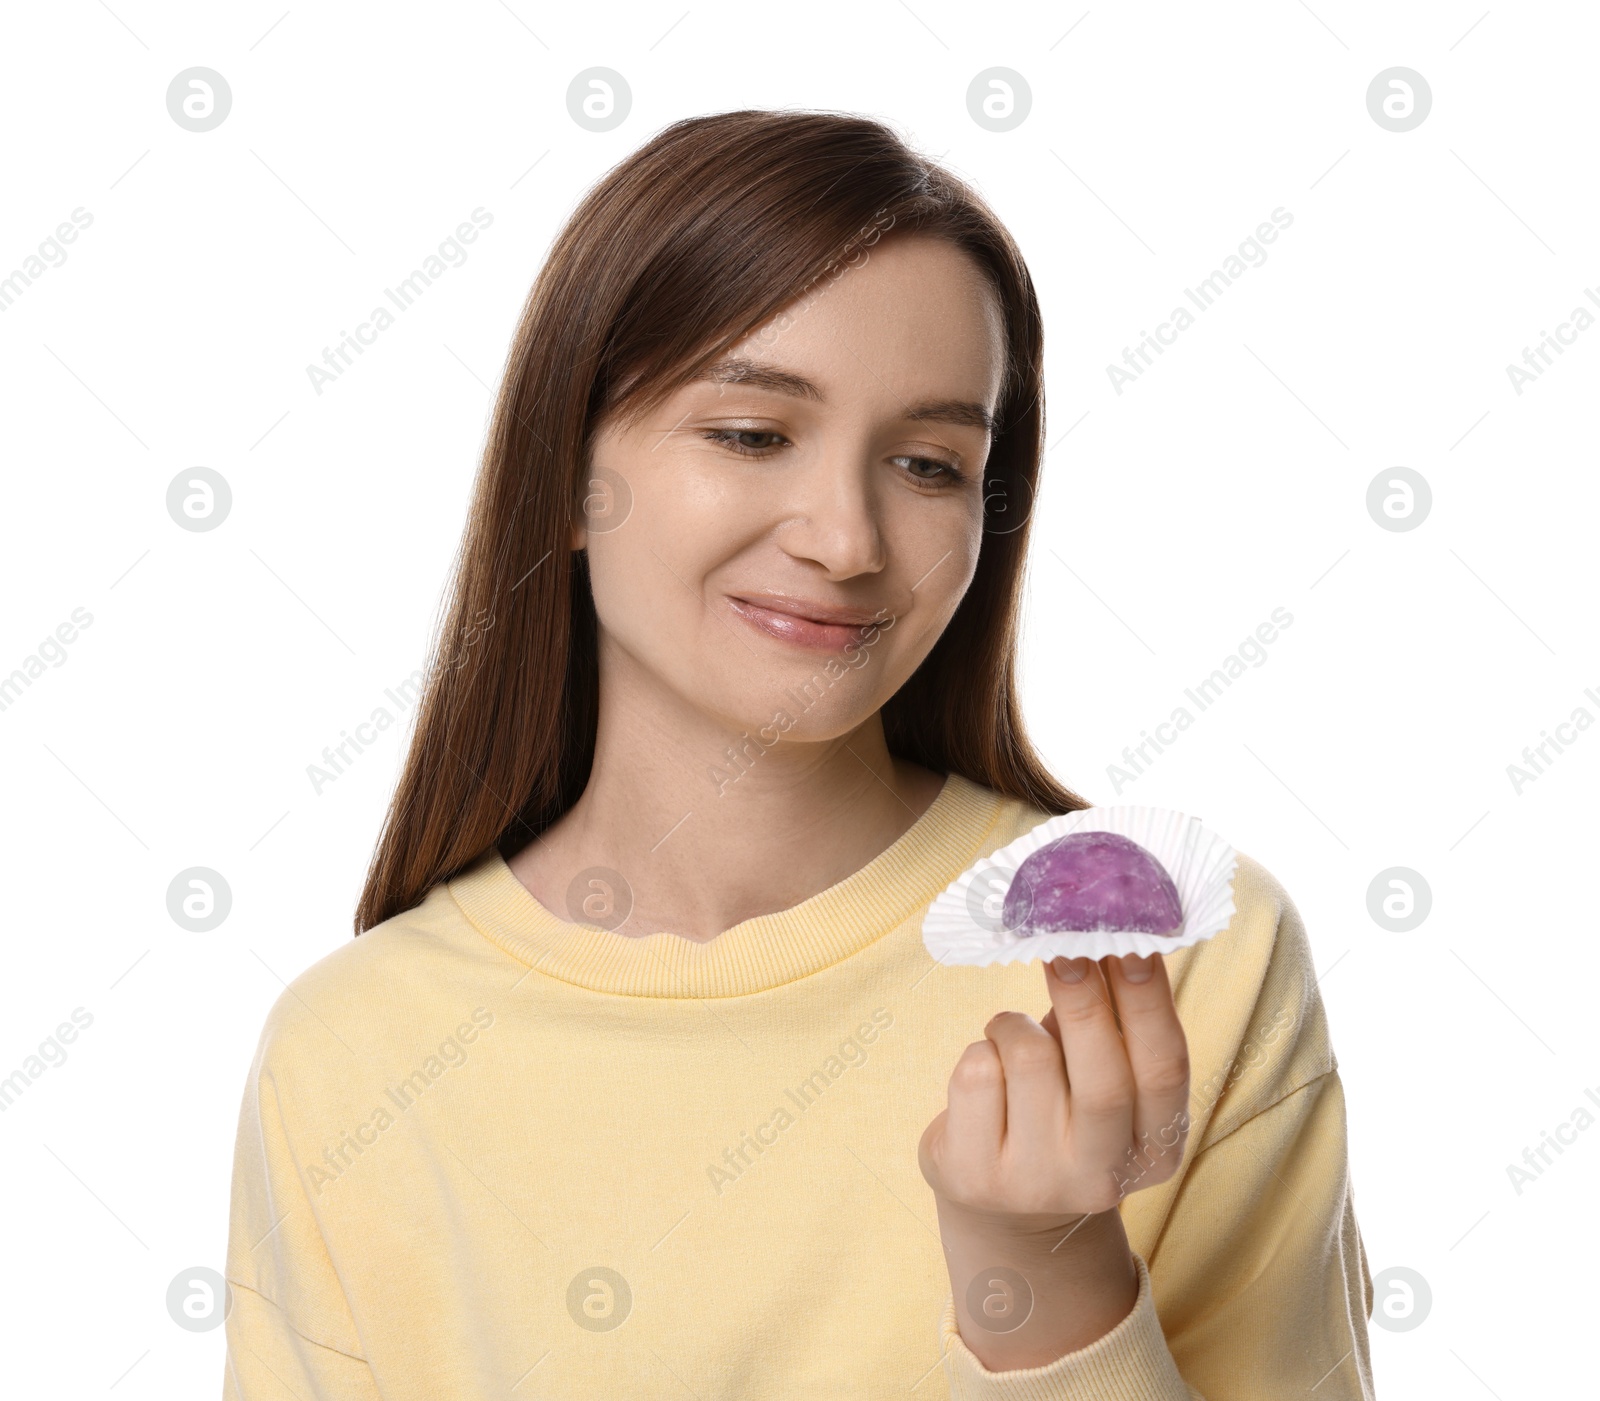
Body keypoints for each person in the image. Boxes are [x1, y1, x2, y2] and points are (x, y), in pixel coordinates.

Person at [222, 108, 1374, 1399]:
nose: (846, 537)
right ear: (565, 471)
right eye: (753, 434)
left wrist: (1044, 1285)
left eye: (930, 464)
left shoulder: (1172, 972)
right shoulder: (354, 1053)